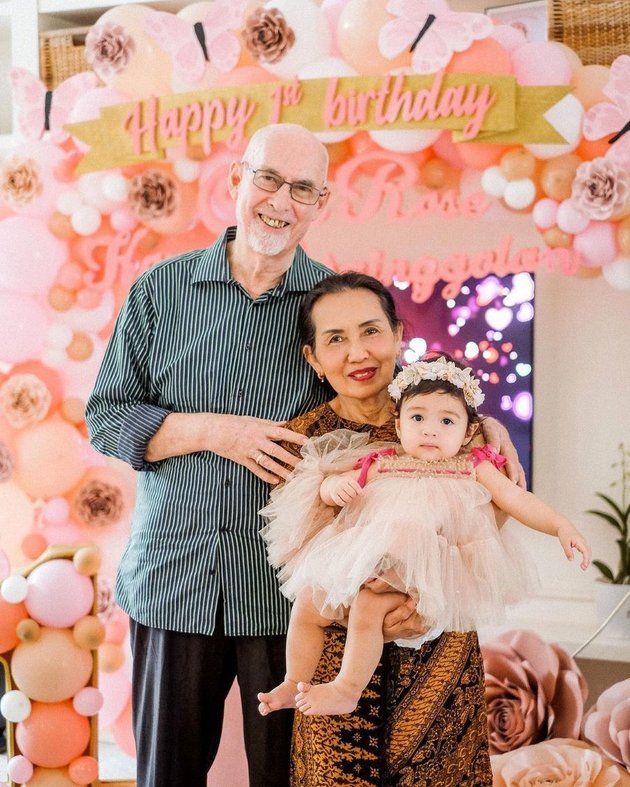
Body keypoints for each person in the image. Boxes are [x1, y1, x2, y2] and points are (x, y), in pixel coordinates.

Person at [85, 123, 341, 787]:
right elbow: (106, 418)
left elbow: (382, 415)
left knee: (292, 779)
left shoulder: (336, 307)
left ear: (322, 202)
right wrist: (214, 430)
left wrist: (480, 431)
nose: (281, 201)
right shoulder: (157, 291)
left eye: (303, 188)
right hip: (171, 580)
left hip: (288, 597)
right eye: (268, 178)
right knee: (166, 776)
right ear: (236, 181)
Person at [255, 271, 524, 786]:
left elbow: (495, 526)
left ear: (398, 334)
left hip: (440, 670)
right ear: (313, 358)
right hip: (333, 680)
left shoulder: (459, 427)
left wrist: (432, 597)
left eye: (371, 331)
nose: (358, 353)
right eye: (335, 339)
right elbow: (296, 554)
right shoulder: (300, 440)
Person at [258, 354, 591, 717]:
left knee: (369, 605)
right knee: (308, 601)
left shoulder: (472, 466)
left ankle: (346, 688)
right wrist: (333, 487)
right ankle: (294, 680)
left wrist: (560, 524)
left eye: (446, 420)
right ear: (399, 426)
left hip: (417, 572)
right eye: (418, 417)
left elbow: (516, 499)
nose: (430, 429)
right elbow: (334, 491)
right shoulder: (381, 460)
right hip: (363, 562)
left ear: (467, 432)